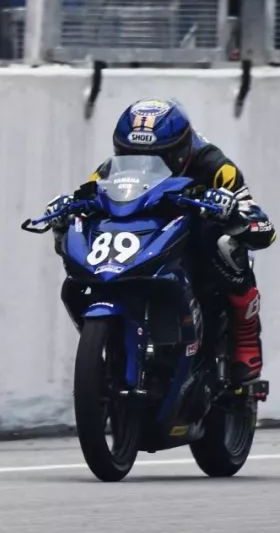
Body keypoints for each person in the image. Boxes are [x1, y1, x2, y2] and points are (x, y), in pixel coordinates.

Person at [45, 99, 274, 383]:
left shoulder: (216, 166)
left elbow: (262, 227)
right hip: (140, 245)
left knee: (227, 246)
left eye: (159, 158)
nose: (142, 165)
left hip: (194, 247)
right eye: (131, 155)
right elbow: (88, 196)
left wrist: (230, 211)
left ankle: (246, 335)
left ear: (181, 150)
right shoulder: (108, 170)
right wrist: (64, 211)